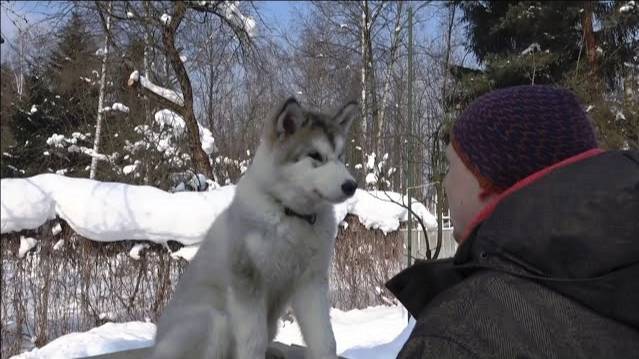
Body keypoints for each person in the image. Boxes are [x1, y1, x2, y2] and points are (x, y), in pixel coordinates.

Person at [386, 85, 639, 358]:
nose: (445, 182)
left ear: (485, 177)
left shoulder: (462, 334)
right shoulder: (620, 281)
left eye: (450, 165)